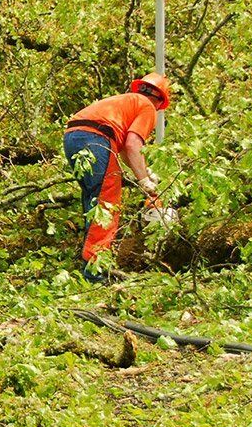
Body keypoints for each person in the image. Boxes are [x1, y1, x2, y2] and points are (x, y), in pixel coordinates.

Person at [63, 73, 175, 282]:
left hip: (73, 137)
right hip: (96, 140)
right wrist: (145, 183)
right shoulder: (147, 107)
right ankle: (94, 272)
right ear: (160, 101)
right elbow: (133, 144)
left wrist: (143, 171)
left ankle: (88, 261)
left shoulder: (125, 101)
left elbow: (125, 149)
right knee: (107, 203)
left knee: (94, 199)